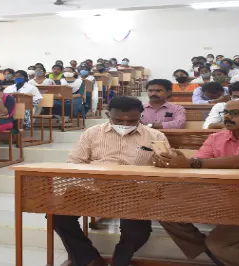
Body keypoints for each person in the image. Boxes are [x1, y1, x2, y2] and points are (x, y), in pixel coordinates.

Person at [155, 99, 239, 266]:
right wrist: (174, 162)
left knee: (219, 243)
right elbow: (197, 163)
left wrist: (191, 163)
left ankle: (219, 250)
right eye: (225, 112)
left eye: (235, 113)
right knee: (163, 209)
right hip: (222, 196)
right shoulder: (216, 137)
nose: (227, 116)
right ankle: (209, 251)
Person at [55, 97, 170, 266]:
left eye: (131, 120)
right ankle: (89, 259)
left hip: (135, 191)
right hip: (95, 187)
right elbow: (74, 162)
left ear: (141, 115)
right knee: (57, 215)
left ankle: (121, 260)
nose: (125, 123)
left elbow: (165, 167)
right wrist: (95, 177)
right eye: (118, 120)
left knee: (138, 231)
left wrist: (164, 162)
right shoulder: (92, 133)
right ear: (108, 115)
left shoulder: (155, 136)